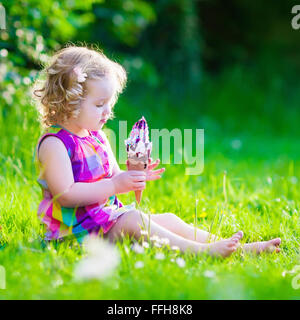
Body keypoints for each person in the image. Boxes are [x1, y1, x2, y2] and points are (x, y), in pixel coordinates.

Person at [32, 45, 281, 258]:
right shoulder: (55, 144)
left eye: (110, 104)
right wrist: (116, 185)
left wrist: (132, 175)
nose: (107, 112)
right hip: (74, 235)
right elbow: (65, 195)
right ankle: (202, 251)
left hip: (103, 222)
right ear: (69, 101)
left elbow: (113, 176)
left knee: (170, 219)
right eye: (99, 104)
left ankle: (235, 247)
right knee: (134, 220)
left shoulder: (96, 137)